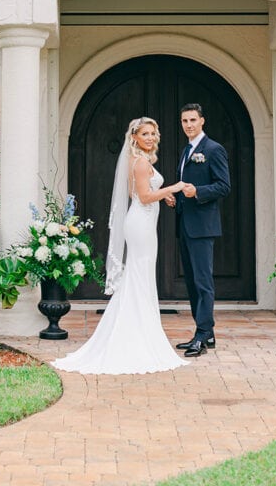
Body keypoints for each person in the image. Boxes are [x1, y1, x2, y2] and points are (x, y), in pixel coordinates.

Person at [53, 116, 190, 375]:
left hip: (144, 221)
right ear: (134, 137)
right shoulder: (139, 162)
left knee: (141, 275)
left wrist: (164, 196)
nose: (150, 138)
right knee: (139, 274)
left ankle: (140, 329)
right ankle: (134, 334)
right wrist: (175, 187)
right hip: (140, 225)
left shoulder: (142, 161)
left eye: (153, 134)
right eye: (145, 134)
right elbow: (144, 196)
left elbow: (138, 195)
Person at [169, 103, 231, 358]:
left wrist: (199, 192)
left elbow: (223, 186)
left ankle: (202, 335)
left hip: (203, 227)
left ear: (202, 121)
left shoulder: (213, 149)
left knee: (203, 282)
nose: (188, 125)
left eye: (193, 120)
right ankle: (206, 331)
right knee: (193, 282)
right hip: (185, 224)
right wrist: (176, 198)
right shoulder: (186, 151)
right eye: (184, 121)